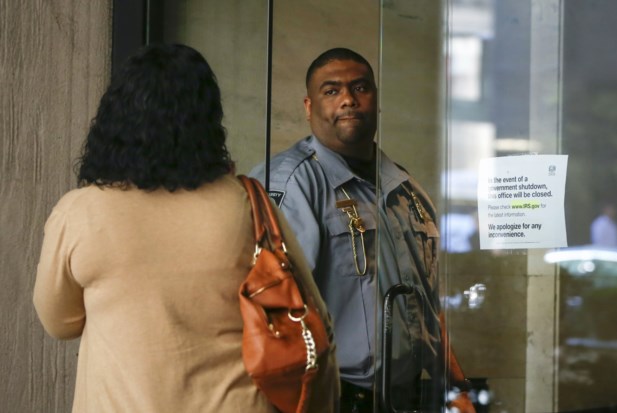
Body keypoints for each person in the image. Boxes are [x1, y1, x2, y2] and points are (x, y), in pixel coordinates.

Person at [33, 43, 339, 413]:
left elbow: (60, 323)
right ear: (208, 122)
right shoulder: (246, 205)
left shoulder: (79, 212)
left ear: (114, 121)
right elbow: (315, 319)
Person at [250, 48, 475, 412]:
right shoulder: (292, 185)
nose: (348, 100)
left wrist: (457, 388)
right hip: (333, 400)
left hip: (404, 399)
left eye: (360, 88)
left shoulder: (406, 190)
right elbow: (270, 316)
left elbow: (428, 308)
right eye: (332, 90)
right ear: (308, 107)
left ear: (376, 101)